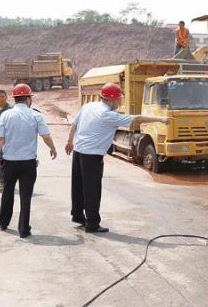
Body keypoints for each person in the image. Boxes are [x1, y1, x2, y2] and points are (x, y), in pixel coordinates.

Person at [65, 83, 170, 233]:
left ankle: (78, 216)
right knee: (92, 189)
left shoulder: (88, 106)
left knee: (78, 186)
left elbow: (74, 125)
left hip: (78, 151)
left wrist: (69, 142)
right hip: (92, 155)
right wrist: (160, 120)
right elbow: (137, 119)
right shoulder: (108, 115)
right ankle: (92, 223)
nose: (120, 103)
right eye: (119, 100)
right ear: (111, 100)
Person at [0, 84, 58, 238]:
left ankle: (3, 222)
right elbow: (46, 136)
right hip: (28, 163)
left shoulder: (6, 115)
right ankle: (23, 229)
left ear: (15, 99)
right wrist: (53, 148)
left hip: (9, 162)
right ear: (28, 99)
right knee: (25, 195)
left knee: (7, 192)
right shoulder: (36, 115)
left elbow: (0, 139)